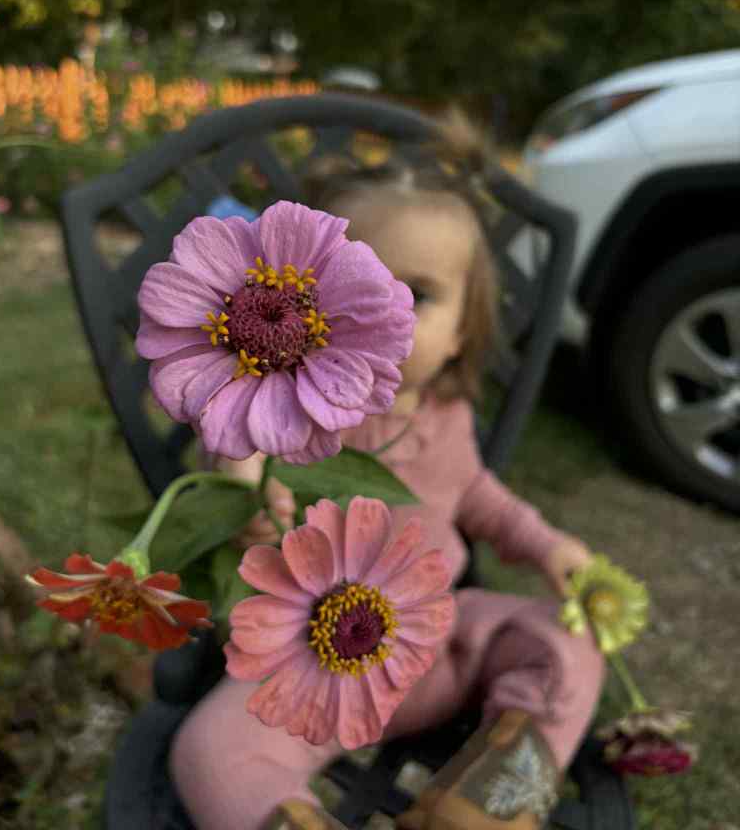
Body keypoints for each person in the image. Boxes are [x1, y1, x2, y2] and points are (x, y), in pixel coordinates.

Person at [170, 114, 604, 830]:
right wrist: (244, 490)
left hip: (442, 645)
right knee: (210, 749)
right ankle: (289, 817)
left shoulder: (445, 414)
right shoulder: (286, 405)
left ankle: (489, 798)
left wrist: (546, 545)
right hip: (314, 672)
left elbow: (477, 495)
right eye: (355, 290)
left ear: (464, 328)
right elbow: (238, 441)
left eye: (419, 294)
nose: (384, 314)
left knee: (568, 642)